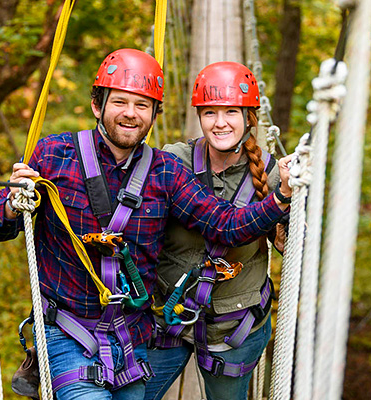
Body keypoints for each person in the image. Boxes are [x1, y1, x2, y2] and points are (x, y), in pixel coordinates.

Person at [0, 49, 292, 400]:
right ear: (97, 106)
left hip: (133, 337)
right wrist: (12, 204)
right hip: (70, 332)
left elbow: (225, 224)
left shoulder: (165, 172)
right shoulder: (53, 155)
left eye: (142, 105)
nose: (130, 114)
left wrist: (281, 196)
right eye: (120, 102)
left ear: (154, 116)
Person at [144, 61, 292, 400]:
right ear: (199, 116)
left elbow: (294, 247)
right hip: (169, 317)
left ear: (249, 118)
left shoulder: (272, 174)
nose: (220, 123)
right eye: (210, 112)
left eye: (231, 112)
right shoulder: (172, 161)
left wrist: (292, 207)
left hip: (233, 330)